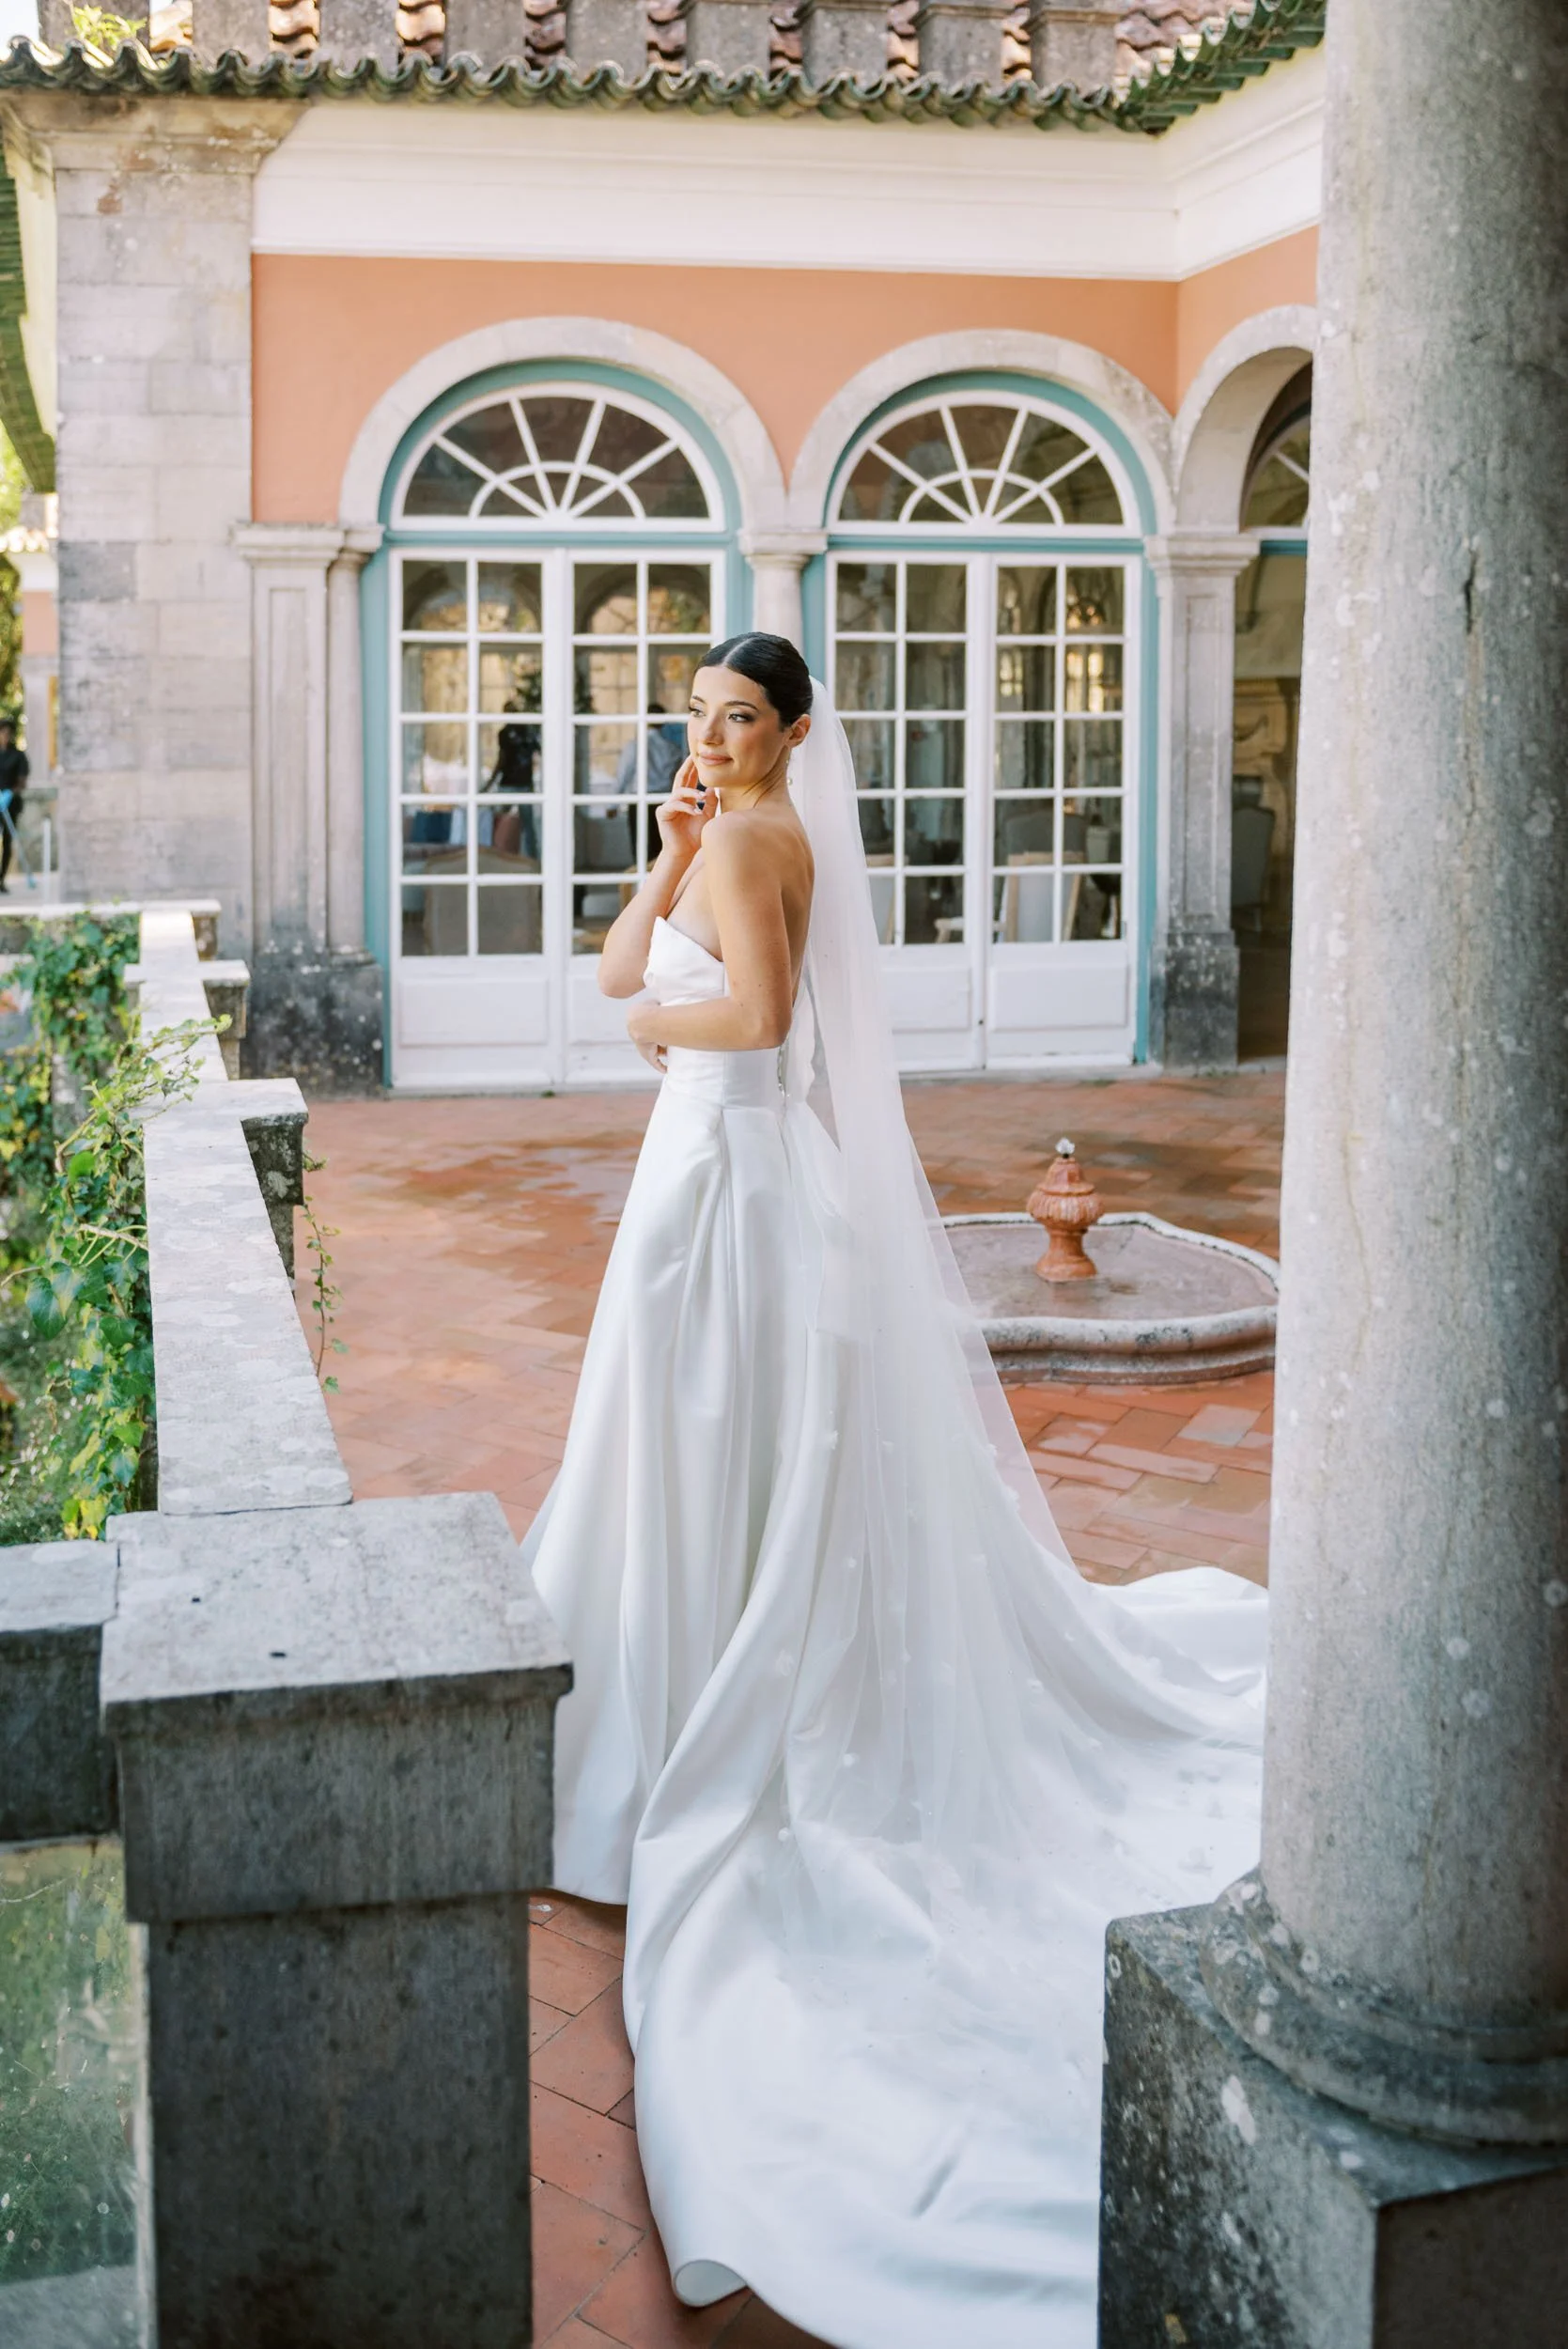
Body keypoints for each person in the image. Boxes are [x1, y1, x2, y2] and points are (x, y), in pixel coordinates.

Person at [523, 633, 1265, 2349]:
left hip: (729, 1180)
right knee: (661, 1445)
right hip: (696, 1165)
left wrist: (645, 1005)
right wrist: (655, 859)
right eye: (696, 715)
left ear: (795, 729)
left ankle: (691, 1724)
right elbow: (619, 962)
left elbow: (740, 1015)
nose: (713, 737)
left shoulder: (762, 841)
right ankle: (656, 1699)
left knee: (708, 1437)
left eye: (739, 717)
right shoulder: (715, 831)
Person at [0, 720, 29, 892]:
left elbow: (22, 780)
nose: (4, 736)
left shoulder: (18, 756)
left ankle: (1, 879)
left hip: (10, 804)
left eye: (7, 732)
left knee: (8, 842)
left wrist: (9, 794)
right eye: (2, 732)